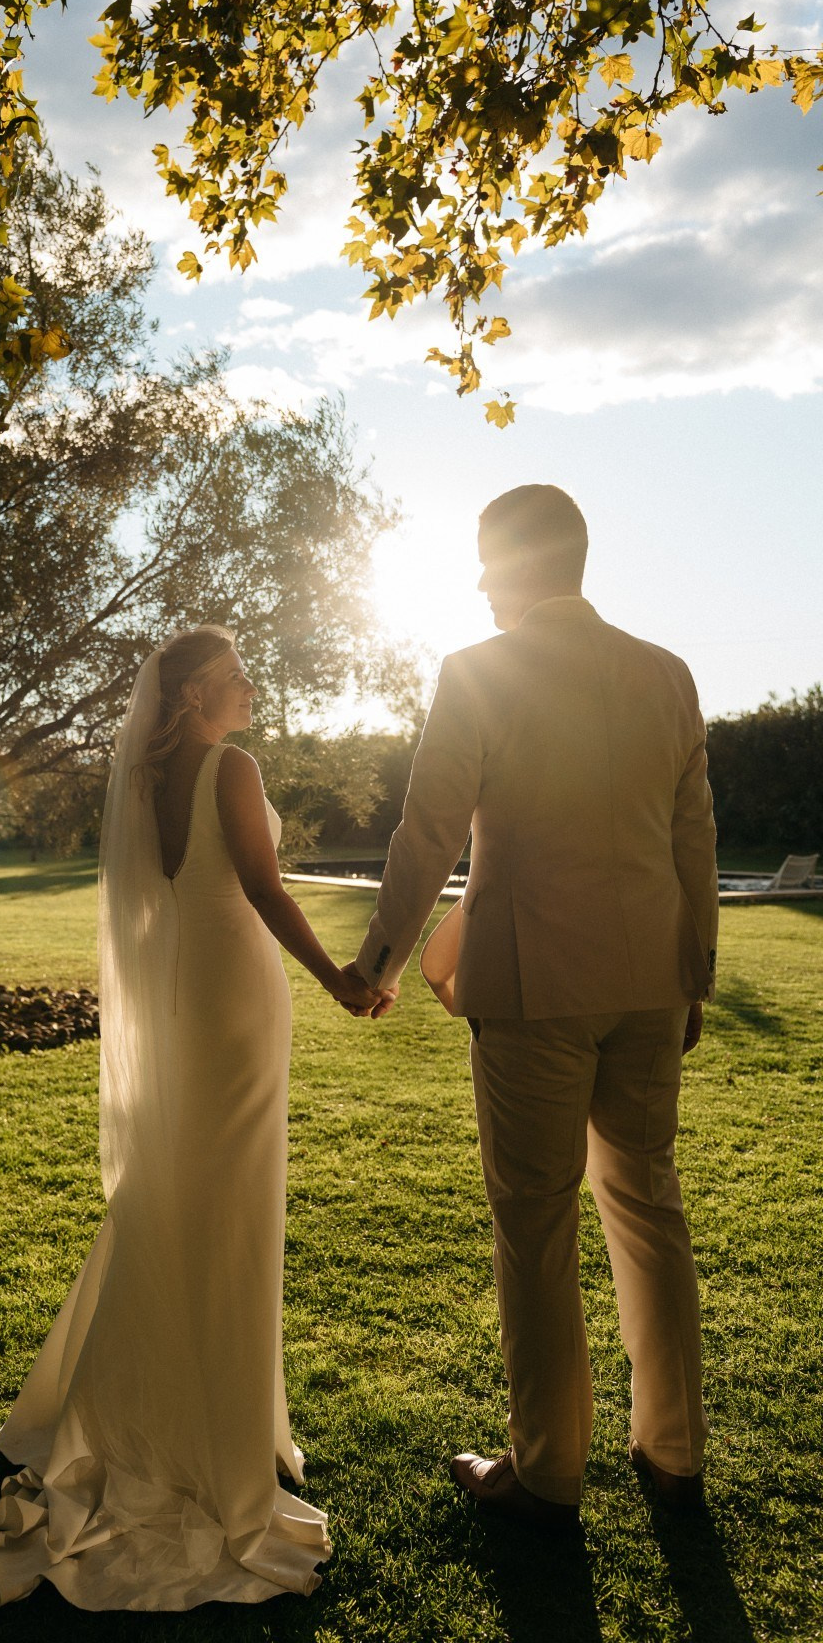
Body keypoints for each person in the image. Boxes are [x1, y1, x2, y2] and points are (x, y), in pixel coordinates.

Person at [0, 625, 382, 1610]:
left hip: (190, 1009)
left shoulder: (148, 783)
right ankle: (210, 1436)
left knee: (179, 1203)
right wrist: (336, 978)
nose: (249, 689)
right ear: (194, 694)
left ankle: (176, 1406)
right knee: (227, 1213)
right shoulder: (228, 766)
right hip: (235, 1007)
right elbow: (261, 886)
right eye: (235, 677)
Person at [345, 485, 718, 1528]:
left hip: (531, 987)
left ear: (515, 566)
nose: (472, 579)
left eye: (481, 558)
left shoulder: (476, 673)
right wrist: (693, 970)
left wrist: (376, 964)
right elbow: (693, 840)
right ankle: (673, 1455)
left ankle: (547, 1470)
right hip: (648, 981)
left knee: (535, 1225)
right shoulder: (666, 673)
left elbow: (427, 833)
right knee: (649, 1209)